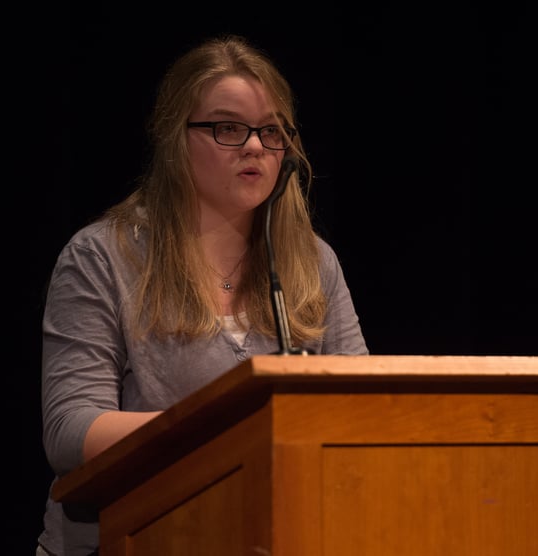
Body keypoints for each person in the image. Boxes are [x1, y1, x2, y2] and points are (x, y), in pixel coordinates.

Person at [36, 34, 368, 555]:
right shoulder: (103, 257)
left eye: (271, 131)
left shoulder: (311, 261)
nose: (255, 146)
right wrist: (234, 432)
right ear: (176, 137)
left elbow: (360, 408)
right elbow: (71, 430)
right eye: (228, 128)